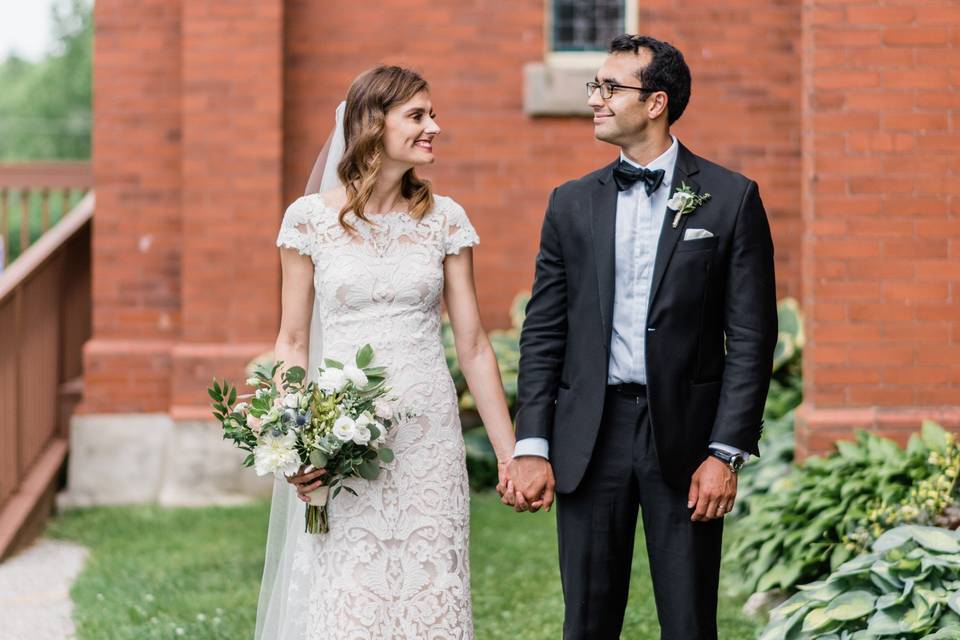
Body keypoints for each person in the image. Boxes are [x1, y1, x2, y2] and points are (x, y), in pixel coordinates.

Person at [507, 34, 778, 639]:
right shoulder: (570, 204)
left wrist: (724, 452)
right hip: (590, 436)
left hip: (684, 440)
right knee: (587, 620)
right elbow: (544, 331)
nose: (595, 100)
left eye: (610, 87)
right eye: (593, 86)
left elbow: (753, 339)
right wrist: (533, 443)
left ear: (655, 103)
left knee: (688, 622)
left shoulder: (731, 199)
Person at [256, 65, 516, 639]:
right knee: (349, 590)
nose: (435, 127)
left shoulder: (445, 220)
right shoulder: (309, 221)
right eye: (418, 116)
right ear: (374, 124)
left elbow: (472, 344)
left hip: (427, 438)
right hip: (342, 440)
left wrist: (507, 453)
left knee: (431, 584)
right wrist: (301, 438)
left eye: (433, 115)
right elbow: (293, 341)